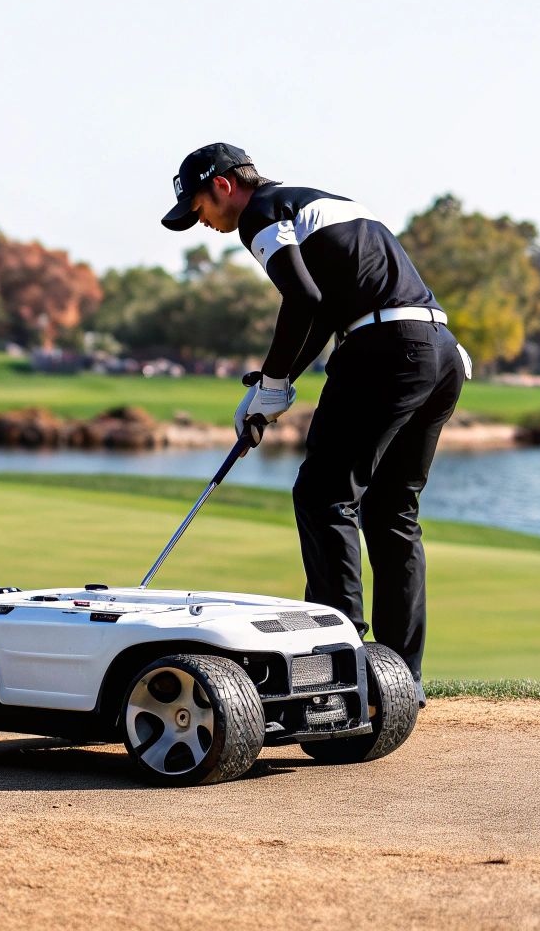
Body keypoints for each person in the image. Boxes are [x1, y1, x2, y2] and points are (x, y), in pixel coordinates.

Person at [160, 143, 470, 700]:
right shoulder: (320, 204)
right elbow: (325, 310)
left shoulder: (261, 213)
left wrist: (275, 383)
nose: (202, 222)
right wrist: (271, 384)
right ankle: (401, 681)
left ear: (224, 186)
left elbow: (300, 299)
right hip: (438, 350)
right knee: (392, 510)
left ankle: (338, 672)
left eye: (199, 208)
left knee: (324, 495)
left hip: (384, 350)